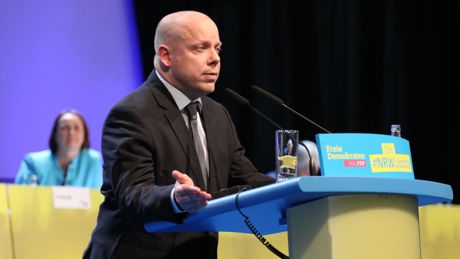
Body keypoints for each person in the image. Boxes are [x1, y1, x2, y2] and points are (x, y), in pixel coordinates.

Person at [83, 11, 275, 259]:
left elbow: (246, 179)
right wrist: (175, 198)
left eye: (217, 49)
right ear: (166, 56)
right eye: (200, 48)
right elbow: (132, 194)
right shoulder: (131, 113)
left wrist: (302, 188)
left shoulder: (218, 115)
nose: (215, 59)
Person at [15, 109, 103, 188]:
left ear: (85, 135)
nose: (71, 132)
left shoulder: (94, 160)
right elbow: (22, 198)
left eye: (77, 128)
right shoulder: (33, 162)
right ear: (55, 135)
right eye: (65, 128)